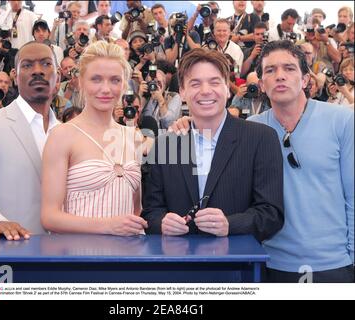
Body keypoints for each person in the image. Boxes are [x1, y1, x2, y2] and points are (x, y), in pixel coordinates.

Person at [141, 48, 284, 241]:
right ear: (182, 92)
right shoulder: (166, 144)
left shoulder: (260, 138)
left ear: (227, 88)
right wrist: (162, 223)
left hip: (237, 266)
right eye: (195, 83)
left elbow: (271, 213)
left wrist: (229, 224)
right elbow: (151, 212)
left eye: (214, 82)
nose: (205, 91)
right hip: (177, 263)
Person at [250, 40, 353, 282]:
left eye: (289, 68)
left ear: (306, 80)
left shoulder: (342, 121)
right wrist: (184, 125)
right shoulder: (251, 129)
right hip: (269, 263)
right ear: (262, 84)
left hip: (334, 263)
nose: (280, 76)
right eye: (270, 70)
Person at [41, 41, 148, 236]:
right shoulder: (62, 135)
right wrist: (108, 226)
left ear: (124, 84)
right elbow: (50, 217)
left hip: (126, 257)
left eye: (115, 80)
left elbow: (135, 209)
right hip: (80, 259)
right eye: (96, 79)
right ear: (81, 82)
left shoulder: (133, 136)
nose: (106, 89)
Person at [0, 41, 60, 239]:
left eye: (46, 64)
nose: (37, 71)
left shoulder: (68, 132)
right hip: (9, 256)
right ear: (14, 75)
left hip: (67, 257)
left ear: (58, 75)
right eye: (27, 65)